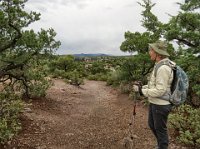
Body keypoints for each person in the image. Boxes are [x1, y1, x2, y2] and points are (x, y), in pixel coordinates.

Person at [133, 40, 175, 149]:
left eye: (151, 50)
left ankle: (162, 146)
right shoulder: (159, 65)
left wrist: (142, 91)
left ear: (158, 53)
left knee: (160, 129)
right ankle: (161, 145)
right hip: (155, 102)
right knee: (153, 125)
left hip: (160, 104)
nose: (149, 52)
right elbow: (155, 86)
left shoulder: (163, 68)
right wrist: (143, 87)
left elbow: (160, 90)